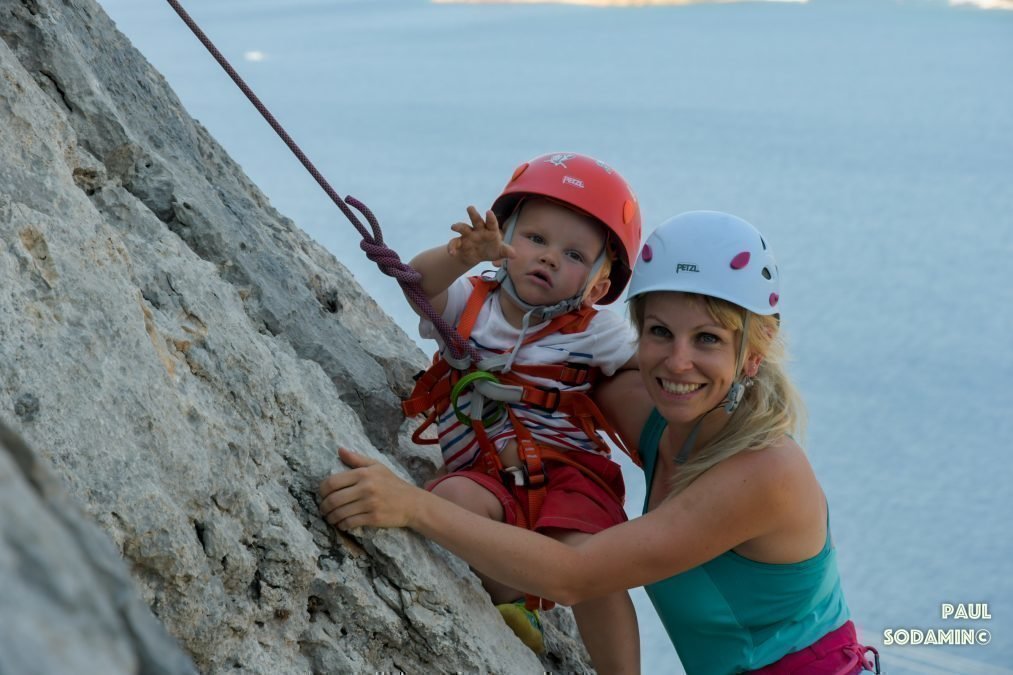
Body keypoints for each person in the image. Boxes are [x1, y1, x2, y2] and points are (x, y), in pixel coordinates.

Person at [320, 211, 880, 674]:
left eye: (707, 339)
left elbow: (576, 575)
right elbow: (543, 356)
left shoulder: (766, 473)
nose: (677, 361)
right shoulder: (662, 415)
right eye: (659, 331)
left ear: (755, 350)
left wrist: (413, 506)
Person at [397, 152, 643, 671]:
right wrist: (461, 253)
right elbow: (417, 281)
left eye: (574, 255)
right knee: (451, 499)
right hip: (485, 474)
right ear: (504, 238)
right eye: (535, 239)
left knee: (596, 564)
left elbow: (653, 363)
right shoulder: (471, 301)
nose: (550, 258)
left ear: (598, 286)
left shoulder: (595, 330)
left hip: (568, 473)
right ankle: (513, 600)